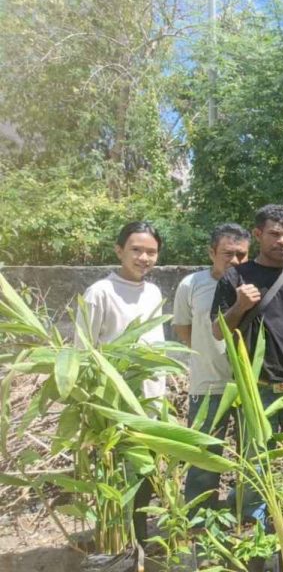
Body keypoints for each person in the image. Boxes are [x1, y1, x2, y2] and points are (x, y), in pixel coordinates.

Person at [210, 204, 283, 497]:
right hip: (255, 387)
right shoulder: (235, 277)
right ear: (258, 234)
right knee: (255, 465)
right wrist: (240, 306)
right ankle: (254, 519)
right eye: (275, 234)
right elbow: (218, 331)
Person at [77, 221, 166, 544]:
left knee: (143, 478)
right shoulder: (100, 292)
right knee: (115, 479)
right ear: (119, 250)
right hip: (113, 407)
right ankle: (114, 545)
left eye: (151, 252)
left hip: (150, 403)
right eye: (136, 250)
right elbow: (82, 351)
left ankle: (137, 543)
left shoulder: (153, 292)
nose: (144, 257)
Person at [173, 223, 251, 506]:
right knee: (203, 455)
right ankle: (199, 515)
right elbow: (183, 329)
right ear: (211, 253)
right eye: (228, 254)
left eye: (241, 255)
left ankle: (245, 512)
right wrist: (205, 354)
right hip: (206, 385)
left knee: (250, 454)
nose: (235, 261)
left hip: (248, 386)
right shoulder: (191, 285)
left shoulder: (253, 283)